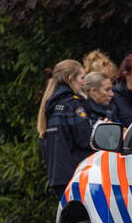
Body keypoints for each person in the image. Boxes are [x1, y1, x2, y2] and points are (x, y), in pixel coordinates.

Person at [37, 59, 92, 200]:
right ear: (70, 79)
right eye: (82, 77)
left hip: (57, 176)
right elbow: (85, 139)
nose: (84, 82)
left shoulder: (51, 105)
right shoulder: (72, 104)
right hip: (74, 174)